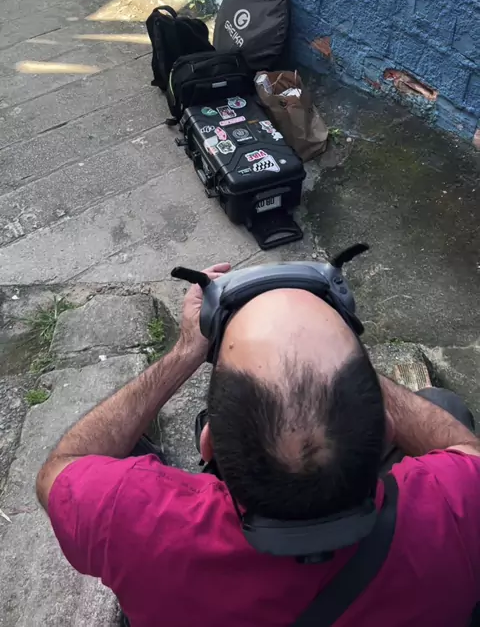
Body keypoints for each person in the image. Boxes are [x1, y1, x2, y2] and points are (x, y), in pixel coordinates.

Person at [37, 263, 480, 627]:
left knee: (123, 444)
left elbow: (63, 467)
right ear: (386, 430)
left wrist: (186, 351)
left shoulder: (131, 520)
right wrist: (344, 367)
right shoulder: (458, 506)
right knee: (443, 408)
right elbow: (466, 449)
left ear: (207, 445)